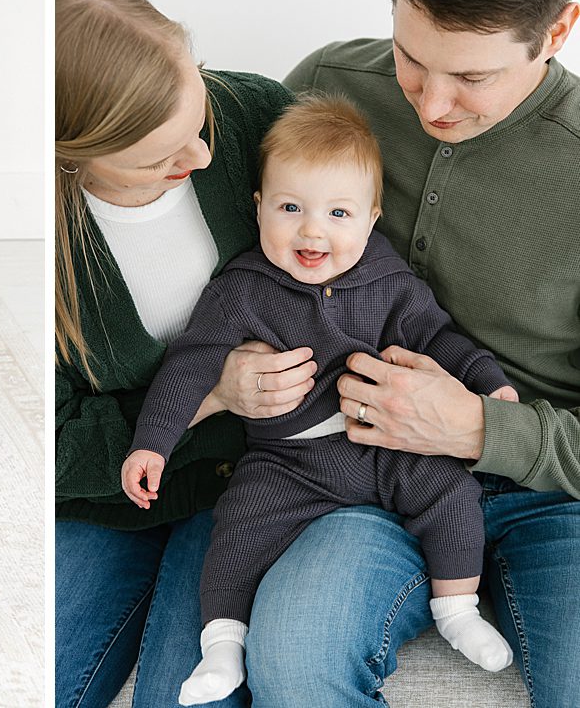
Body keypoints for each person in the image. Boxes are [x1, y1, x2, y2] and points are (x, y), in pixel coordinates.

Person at [122, 95, 516, 702]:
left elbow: (439, 341)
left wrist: (490, 385)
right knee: (236, 527)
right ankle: (223, 645)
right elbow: (191, 365)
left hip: (387, 446)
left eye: (338, 212)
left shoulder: (388, 283)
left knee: (451, 492)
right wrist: (152, 443)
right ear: (258, 210)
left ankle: (457, 607)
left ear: (371, 217)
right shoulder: (243, 289)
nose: (312, 229)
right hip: (289, 461)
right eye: (289, 207)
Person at [248, 0, 580, 703]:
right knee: (296, 662)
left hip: (553, 496)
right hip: (357, 475)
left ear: (557, 31)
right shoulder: (328, 86)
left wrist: (482, 428)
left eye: (473, 78)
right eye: (410, 58)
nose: (432, 104)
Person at [54, 0, 300, 708]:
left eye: (198, 118)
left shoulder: (256, 113)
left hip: (259, 479)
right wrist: (211, 393)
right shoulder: (45, 232)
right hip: (105, 500)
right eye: (161, 156)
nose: (202, 153)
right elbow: (47, 441)